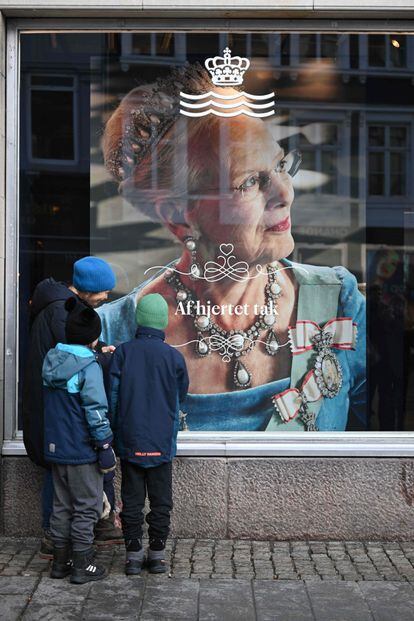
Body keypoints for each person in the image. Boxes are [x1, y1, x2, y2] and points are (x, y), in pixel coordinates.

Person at [98, 63, 366, 433]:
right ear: (179, 215)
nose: (286, 193)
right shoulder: (114, 336)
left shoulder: (340, 302)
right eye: (251, 181)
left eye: (280, 165)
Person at [22, 256, 122, 558]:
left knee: (61, 469)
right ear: (89, 290)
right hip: (61, 409)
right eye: (103, 292)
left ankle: (66, 536)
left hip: (53, 405)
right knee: (62, 471)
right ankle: (58, 540)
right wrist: (102, 358)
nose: (106, 298)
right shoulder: (63, 313)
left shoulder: (59, 307)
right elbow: (77, 362)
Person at [109, 293, 189, 575]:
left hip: (131, 440)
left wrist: (116, 435)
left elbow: (114, 400)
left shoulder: (123, 353)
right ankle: (156, 555)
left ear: (138, 321)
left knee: (130, 501)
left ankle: (133, 555)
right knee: (161, 501)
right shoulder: (174, 358)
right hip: (161, 441)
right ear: (163, 323)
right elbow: (181, 395)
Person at [43, 297, 116, 584]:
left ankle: (60, 562)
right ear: (92, 338)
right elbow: (95, 411)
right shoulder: (88, 368)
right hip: (82, 449)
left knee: (61, 505)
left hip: (57, 448)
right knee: (87, 506)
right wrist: (105, 445)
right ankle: (82, 564)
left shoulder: (52, 360)